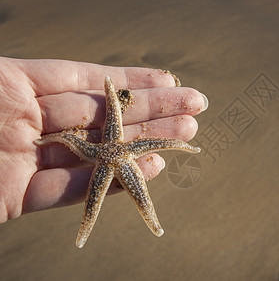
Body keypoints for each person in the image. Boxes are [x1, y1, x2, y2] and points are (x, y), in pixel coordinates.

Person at [0, 56, 208, 223]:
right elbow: (69, 138)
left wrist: (185, 146)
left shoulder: (107, 149)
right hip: (110, 157)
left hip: (109, 156)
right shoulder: (106, 150)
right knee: (95, 199)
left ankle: (152, 221)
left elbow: (160, 142)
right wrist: (47, 140)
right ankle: (148, 222)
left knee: (114, 195)